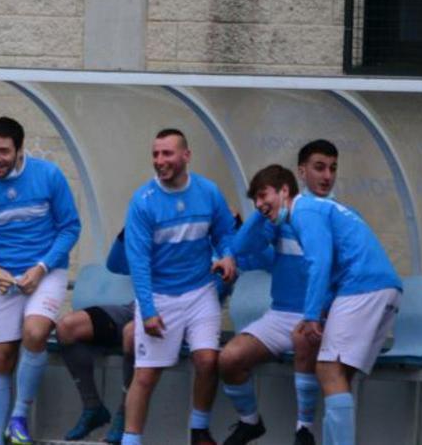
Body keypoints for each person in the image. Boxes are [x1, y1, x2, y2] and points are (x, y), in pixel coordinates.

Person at [246, 164, 402, 445]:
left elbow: (320, 263)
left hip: (363, 287)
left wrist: (311, 315)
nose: (259, 205)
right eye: (254, 200)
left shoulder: (304, 211)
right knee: (339, 375)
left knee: (328, 370)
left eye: (262, 195)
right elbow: (331, 270)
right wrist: (319, 310)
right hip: (382, 289)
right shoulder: (316, 209)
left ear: (284, 191)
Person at [0, 117, 81, 445]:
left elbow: (70, 227)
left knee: (35, 332)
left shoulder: (48, 175)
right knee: (1, 356)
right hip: (4, 278)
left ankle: (19, 416)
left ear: (20, 150)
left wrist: (41, 267)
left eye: (4, 151)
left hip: (45, 272)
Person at [219, 140, 340, 445]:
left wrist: (321, 311)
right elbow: (241, 248)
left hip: (321, 317)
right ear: (300, 173)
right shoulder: (279, 218)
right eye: (319, 167)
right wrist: (262, 209)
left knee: (305, 336)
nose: (327, 176)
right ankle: (250, 422)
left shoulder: (337, 215)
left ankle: (304, 430)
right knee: (229, 358)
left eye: (332, 168)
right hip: (280, 314)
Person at [121, 129, 237, 445]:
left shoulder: (209, 192)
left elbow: (225, 232)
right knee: (145, 376)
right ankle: (131, 440)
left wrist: (227, 255)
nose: (160, 161)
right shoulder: (142, 202)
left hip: (200, 292)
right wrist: (147, 311)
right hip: (160, 296)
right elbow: (138, 263)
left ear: (186, 155)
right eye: (156, 154)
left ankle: (199, 432)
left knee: (207, 360)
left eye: (167, 153)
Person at [56, 228, 136, 443]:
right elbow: (116, 265)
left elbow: (220, 286)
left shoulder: (212, 237)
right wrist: (129, 230)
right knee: (67, 327)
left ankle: (125, 413)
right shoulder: (161, 225)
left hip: (176, 318)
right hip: (135, 308)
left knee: (133, 334)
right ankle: (93, 407)